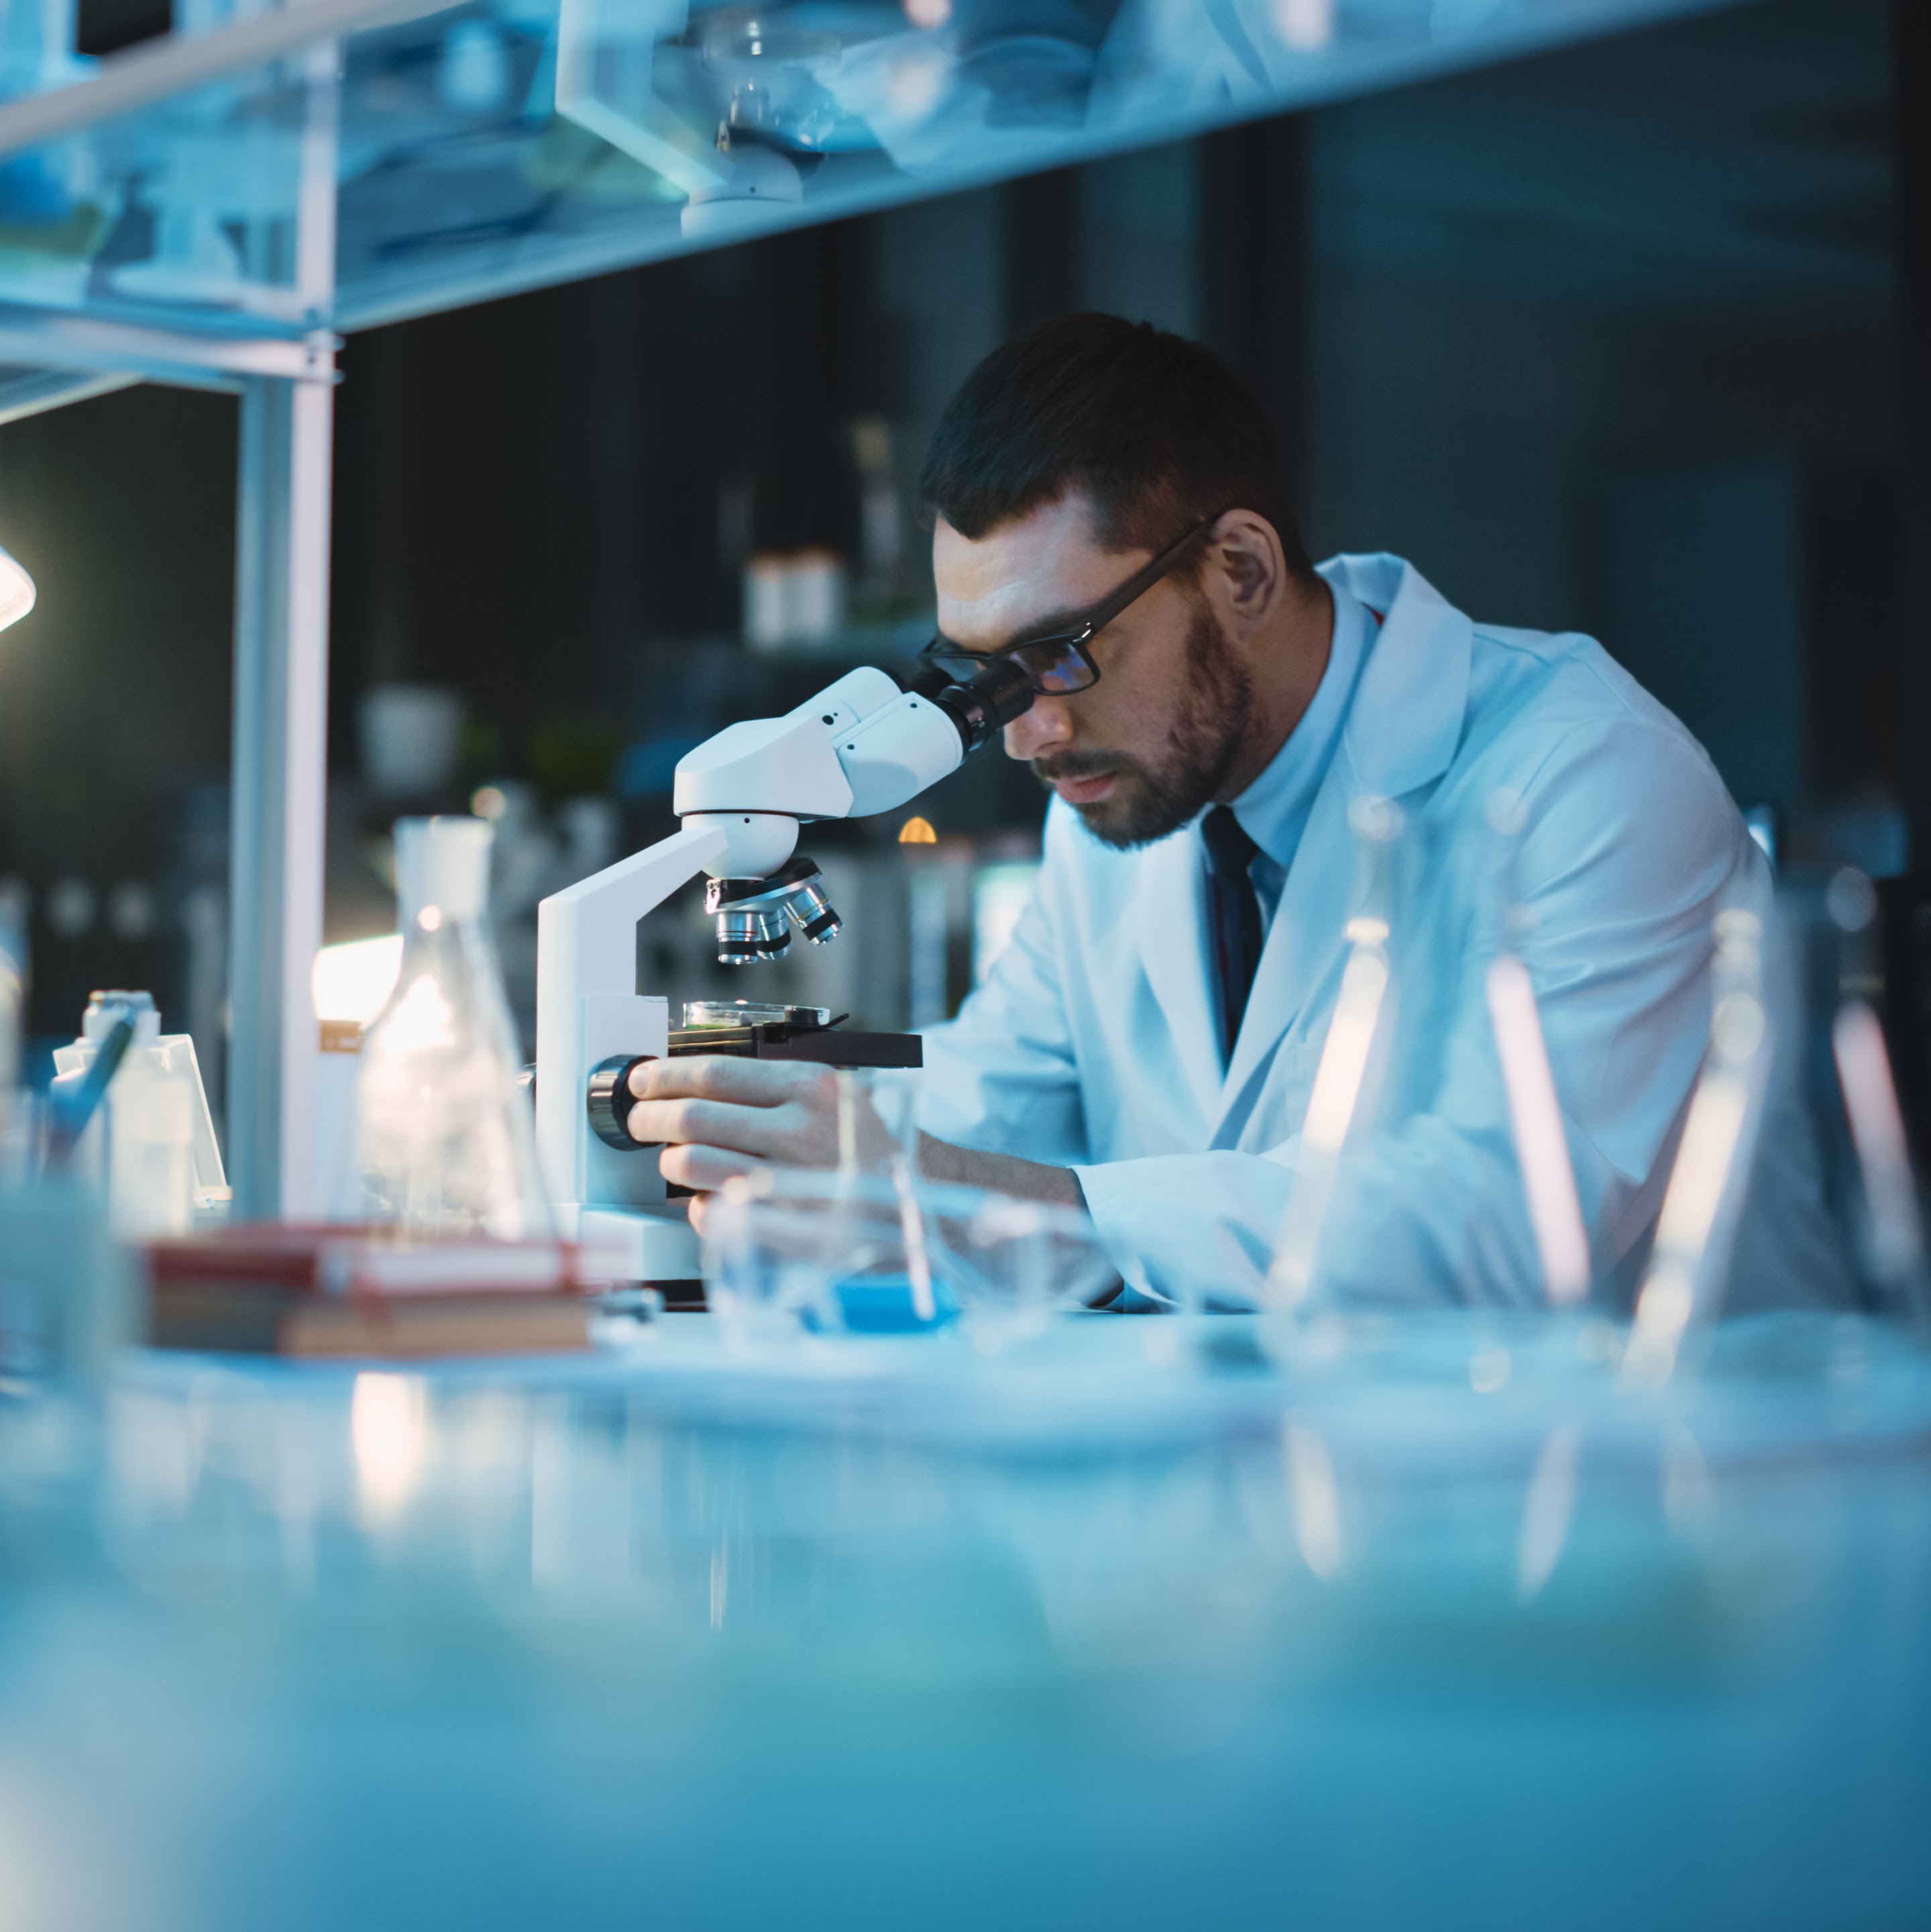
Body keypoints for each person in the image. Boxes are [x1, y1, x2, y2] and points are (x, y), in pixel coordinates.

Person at [623, 313, 1765, 1311]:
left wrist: (952, 1190)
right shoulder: (1117, 804)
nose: (1026, 733)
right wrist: (734, 1134)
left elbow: (1503, 1221)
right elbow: (983, 1105)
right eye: (979, 674)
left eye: (1056, 654)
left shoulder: (1590, 776)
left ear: (1243, 572)